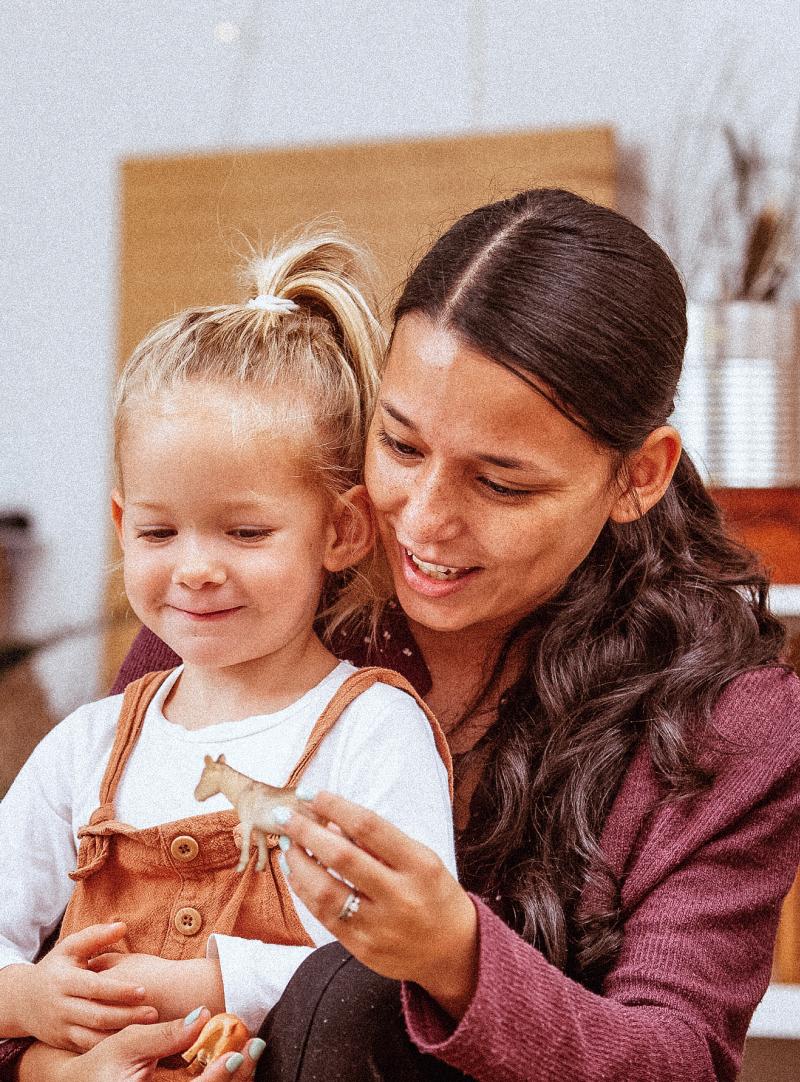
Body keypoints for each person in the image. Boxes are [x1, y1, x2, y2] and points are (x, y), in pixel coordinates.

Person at [5, 187, 800, 1082]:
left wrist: (455, 955)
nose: (421, 522)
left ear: (638, 476)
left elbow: (678, 1063)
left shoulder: (730, 727)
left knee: (353, 989)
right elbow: (38, 946)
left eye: (501, 484)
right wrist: (46, 1067)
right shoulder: (244, 613)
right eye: (402, 446)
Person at [0, 235, 455, 1080]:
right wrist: (25, 1001)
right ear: (119, 523)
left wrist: (208, 985)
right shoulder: (88, 748)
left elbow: (391, 978)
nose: (196, 566)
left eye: (245, 532)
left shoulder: (372, 731)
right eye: (158, 531)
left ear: (341, 530)